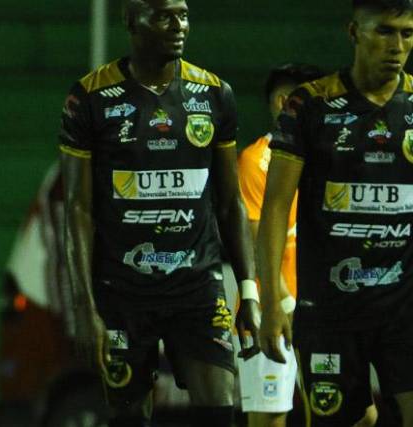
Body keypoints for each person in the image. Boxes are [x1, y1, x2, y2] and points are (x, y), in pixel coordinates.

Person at [58, 1, 259, 426]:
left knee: (219, 409)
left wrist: (250, 291)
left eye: (184, 14)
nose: (179, 25)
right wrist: (83, 304)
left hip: (197, 286)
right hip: (122, 290)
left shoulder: (213, 94)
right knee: (129, 417)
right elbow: (77, 207)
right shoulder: (90, 96)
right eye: (164, 15)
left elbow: (229, 203)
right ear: (132, 21)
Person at [257, 1, 413, 426]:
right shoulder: (309, 105)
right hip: (330, 312)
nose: (397, 45)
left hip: (404, 309)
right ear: (353, 33)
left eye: (407, 33)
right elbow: (274, 208)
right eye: (384, 31)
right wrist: (270, 302)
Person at [238, 63, 324, 427]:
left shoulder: (325, 159)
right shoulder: (256, 161)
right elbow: (257, 238)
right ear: (282, 102)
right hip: (271, 309)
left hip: (321, 306)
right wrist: (285, 302)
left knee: (346, 412)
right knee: (271, 416)